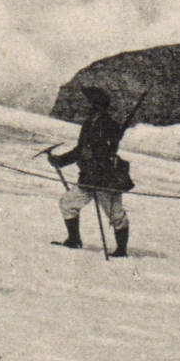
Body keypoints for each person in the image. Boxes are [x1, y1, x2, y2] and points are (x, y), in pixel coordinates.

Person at [48, 85, 133, 257]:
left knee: (115, 215)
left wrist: (97, 159)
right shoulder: (89, 124)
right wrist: (60, 161)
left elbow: (106, 150)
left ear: (99, 105)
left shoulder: (109, 125)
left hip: (106, 178)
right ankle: (74, 240)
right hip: (88, 177)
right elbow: (81, 149)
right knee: (68, 203)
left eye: (92, 103)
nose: (89, 107)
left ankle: (121, 250)